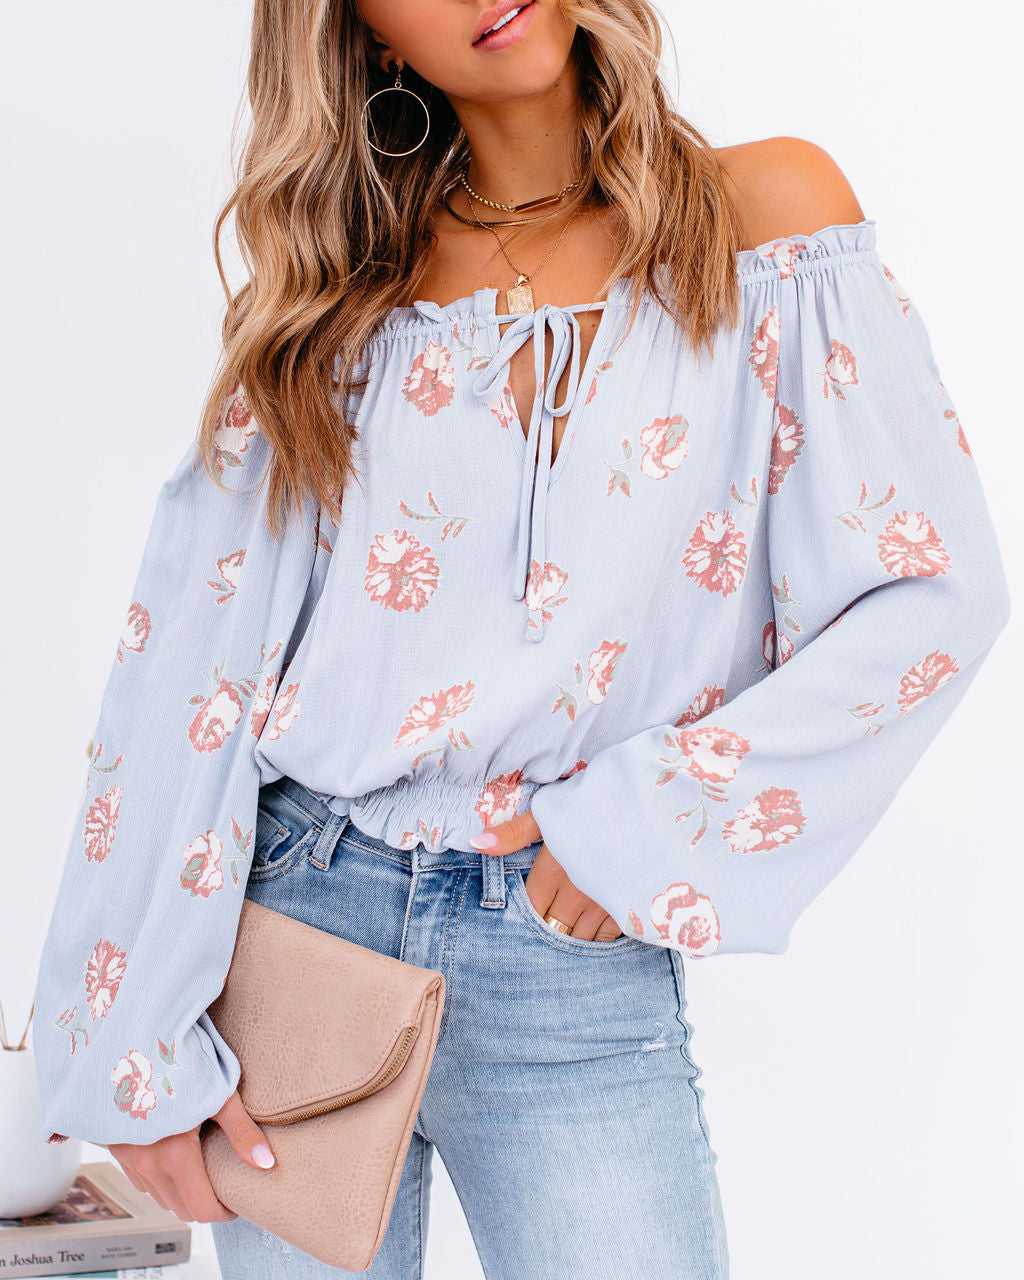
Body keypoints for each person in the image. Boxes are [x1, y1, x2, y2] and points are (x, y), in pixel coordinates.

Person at [32, 1, 1011, 1277]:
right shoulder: (337, 298)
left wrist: (644, 828)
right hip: (299, 927)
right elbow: (189, 658)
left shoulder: (766, 222)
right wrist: (129, 1038)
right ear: (370, 36)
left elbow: (931, 590)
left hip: (567, 958)